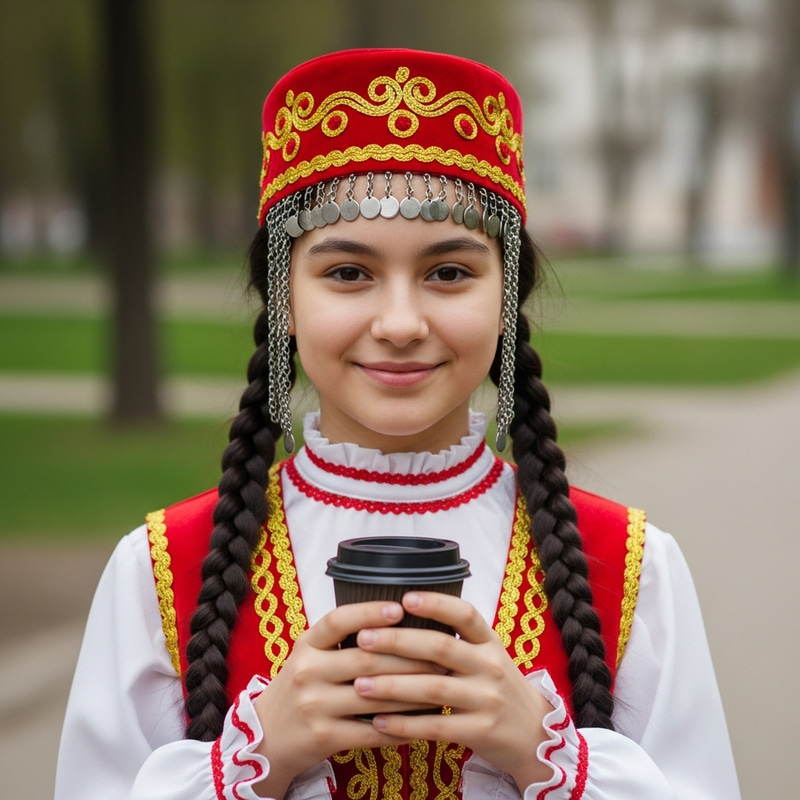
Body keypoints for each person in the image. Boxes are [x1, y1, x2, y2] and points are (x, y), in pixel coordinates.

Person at [55, 48, 740, 799]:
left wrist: (550, 757)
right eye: (348, 272)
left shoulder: (632, 568)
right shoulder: (159, 573)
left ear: (508, 296)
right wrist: (251, 762)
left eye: (450, 272)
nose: (401, 322)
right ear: (281, 297)